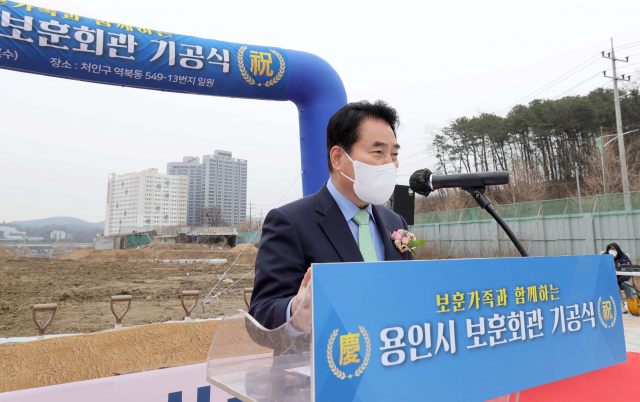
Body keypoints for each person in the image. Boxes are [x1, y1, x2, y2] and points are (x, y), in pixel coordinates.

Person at [249, 100, 413, 331]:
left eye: (394, 154)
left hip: (388, 357)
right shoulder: (289, 222)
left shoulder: (396, 222)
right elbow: (260, 314)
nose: (389, 164)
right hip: (322, 361)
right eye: (378, 152)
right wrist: (294, 313)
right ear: (338, 158)